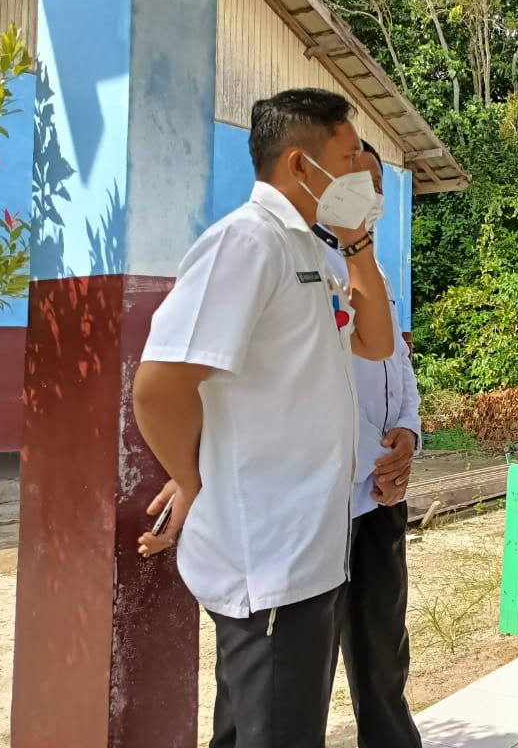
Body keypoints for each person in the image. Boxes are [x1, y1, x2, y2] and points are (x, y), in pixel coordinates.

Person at [132, 88, 396, 748]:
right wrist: (190, 479)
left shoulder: (310, 249)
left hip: (308, 547)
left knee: (259, 729)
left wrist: (358, 240)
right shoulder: (246, 244)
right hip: (271, 556)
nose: (363, 168)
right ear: (303, 166)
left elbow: (375, 342)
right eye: (350, 153)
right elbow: (161, 383)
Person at [313, 140, 423, 748]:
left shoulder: (371, 269)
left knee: (382, 648)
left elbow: (396, 370)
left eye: (377, 183)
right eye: (355, 178)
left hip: (380, 496)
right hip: (325, 502)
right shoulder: (297, 260)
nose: (369, 194)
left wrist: (407, 434)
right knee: (306, 662)